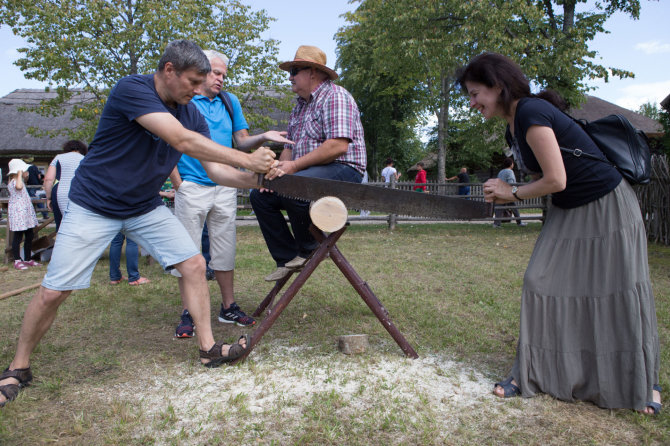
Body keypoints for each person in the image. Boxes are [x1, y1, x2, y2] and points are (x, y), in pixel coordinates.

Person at [0, 40, 282, 408]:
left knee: (195, 265)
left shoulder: (190, 112)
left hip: (143, 206)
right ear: (169, 71)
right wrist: (248, 158)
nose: (198, 90)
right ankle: (18, 367)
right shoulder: (132, 89)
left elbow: (214, 170)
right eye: (194, 81)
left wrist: (255, 178)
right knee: (54, 291)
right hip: (94, 204)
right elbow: (182, 141)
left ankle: (209, 348)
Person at [457, 52, 661, 414]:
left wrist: (512, 192)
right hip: (570, 209)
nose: (473, 103)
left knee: (615, 290)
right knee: (540, 281)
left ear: (498, 87)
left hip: (607, 206)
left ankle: (644, 384)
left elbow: (556, 179)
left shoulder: (532, 113)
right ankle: (530, 374)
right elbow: (554, 179)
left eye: (475, 94)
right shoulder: (515, 123)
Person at [170, 49, 291, 337]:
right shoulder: (183, 101)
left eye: (224, 74)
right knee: (187, 252)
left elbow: (241, 142)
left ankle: (228, 307)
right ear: (200, 70)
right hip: (191, 186)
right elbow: (169, 144)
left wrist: (264, 136)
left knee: (225, 249)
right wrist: (179, 184)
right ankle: (188, 311)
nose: (221, 79)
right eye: (215, 72)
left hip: (224, 185)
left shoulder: (229, 101)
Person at [250, 45, 366, 282]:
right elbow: (289, 149)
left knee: (295, 186)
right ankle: (288, 257)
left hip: (345, 169)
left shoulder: (336, 96)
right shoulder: (299, 106)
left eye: (294, 70)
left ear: (313, 72)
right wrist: (275, 172)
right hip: (308, 172)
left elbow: (337, 146)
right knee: (259, 195)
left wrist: (292, 169)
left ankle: (311, 247)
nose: (290, 77)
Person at [43, 140, 88, 230]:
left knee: (61, 227)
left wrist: (49, 197)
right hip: (79, 194)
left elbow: (48, 180)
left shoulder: (58, 158)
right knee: (78, 226)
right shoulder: (85, 159)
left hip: (60, 193)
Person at [6, 159, 41, 270]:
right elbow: (19, 187)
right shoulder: (14, 181)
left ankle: (27, 258)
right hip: (19, 213)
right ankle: (17, 260)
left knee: (29, 235)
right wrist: (20, 174)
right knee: (18, 236)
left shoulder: (18, 180)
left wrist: (22, 176)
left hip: (25, 212)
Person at [493, 157, 526, 227]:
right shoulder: (510, 172)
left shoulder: (501, 172)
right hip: (508, 193)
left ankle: (496, 224)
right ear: (511, 164)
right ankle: (519, 222)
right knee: (514, 208)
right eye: (513, 163)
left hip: (500, 192)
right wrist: (515, 191)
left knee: (499, 208)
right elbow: (511, 183)